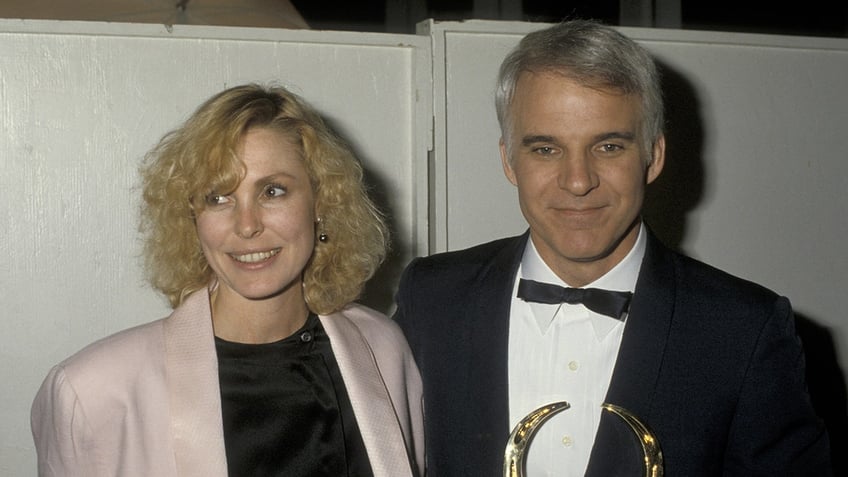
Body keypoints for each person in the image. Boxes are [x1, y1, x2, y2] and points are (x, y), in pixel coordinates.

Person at [393, 20, 831, 476]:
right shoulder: (432, 300)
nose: (578, 181)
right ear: (508, 160)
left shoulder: (744, 331)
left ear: (653, 156)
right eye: (545, 149)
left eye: (607, 146)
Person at [31, 84, 424, 477]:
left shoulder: (382, 348)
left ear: (321, 204)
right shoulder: (92, 392)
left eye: (273, 191)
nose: (247, 225)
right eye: (218, 197)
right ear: (191, 216)